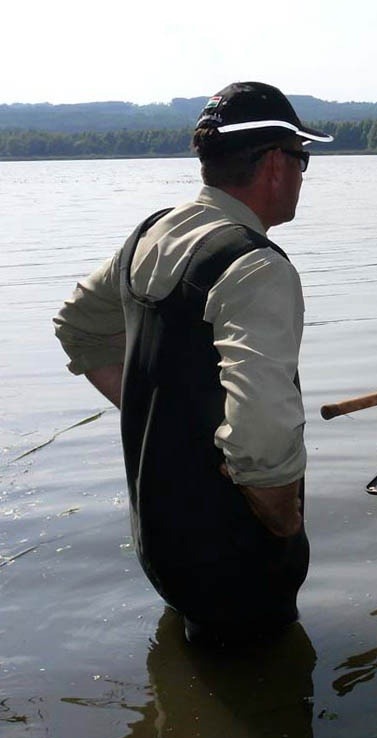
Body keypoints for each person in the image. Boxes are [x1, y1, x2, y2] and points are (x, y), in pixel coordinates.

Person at [53, 82, 333, 646]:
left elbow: (77, 327)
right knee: (271, 715)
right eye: (303, 158)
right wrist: (283, 523)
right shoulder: (257, 268)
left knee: (197, 685)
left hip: (160, 541)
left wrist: (152, 408)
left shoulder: (152, 234)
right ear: (276, 164)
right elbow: (261, 433)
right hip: (235, 561)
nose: (305, 174)